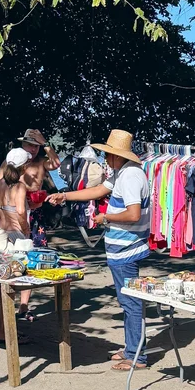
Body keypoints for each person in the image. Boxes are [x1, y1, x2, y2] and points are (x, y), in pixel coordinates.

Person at [49, 128, 150, 370]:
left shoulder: (130, 176)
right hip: (121, 247)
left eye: (107, 154)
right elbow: (98, 190)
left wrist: (106, 218)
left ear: (117, 155)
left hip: (127, 248)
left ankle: (137, 356)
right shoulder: (122, 173)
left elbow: (133, 214)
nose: (105, 158)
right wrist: (66, 197)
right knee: (127, 301)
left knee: (130, 302)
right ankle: (131, 348)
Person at [0, 148, 30, 341]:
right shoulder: (20, 187)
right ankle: (6, 331)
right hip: (17, 236)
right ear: (24, 167)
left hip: (2, 234)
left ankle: (0, 326)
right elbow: (21, 211)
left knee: (2, 283)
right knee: (13, 283)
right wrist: (26, 229)